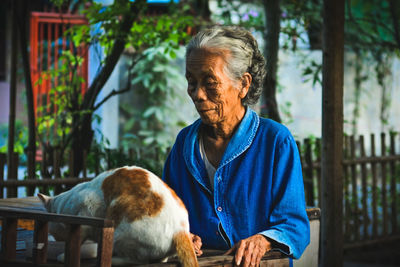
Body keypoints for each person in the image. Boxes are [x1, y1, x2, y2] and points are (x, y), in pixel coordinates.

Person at [162, 25, 310, 267]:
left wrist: (264, 240)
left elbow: (294, 225)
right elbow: (166, 215)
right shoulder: (184, 145)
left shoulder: (275, 141)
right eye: (192, 81)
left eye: (210, 82)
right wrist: (178, 236)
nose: (198, 94)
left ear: (243, 84)